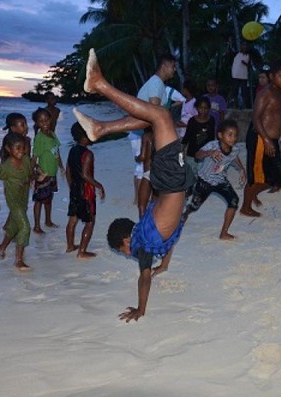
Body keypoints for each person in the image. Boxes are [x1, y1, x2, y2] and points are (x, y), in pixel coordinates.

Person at [72, 49, 195, 323]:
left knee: (160, 116)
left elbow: (144, 278)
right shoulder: (150, 240)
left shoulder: (144, 246)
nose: (131, 255)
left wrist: (142, 307)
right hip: (170, 181)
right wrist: (164, 264)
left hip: (170, 180)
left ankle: (99, 93)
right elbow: (166, 247)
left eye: (123, 250)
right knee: (158, 116)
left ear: (126, 243)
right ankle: (100, 122)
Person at [240, 60, 281, 217]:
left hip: (272, 139)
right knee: (257, 176)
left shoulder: (280, 94)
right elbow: (256, 118)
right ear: (271, 76)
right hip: (260, 138)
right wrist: (266, 139)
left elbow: (273, 115)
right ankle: (246, 207)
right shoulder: (265, 93)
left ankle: (252, 194)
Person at [127, 53, 177, 205]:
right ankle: (142, 202)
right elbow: (153, 111)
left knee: (149, 170)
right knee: (145, 171)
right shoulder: (156, 83)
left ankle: (148, 203)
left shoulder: (156, 83)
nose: (174, 70)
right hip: (142, 133)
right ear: (164, 66)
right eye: (173, 66)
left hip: (143, 131)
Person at [183, 119, 246, 240]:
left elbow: (235, 158)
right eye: (230, 135)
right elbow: (197, 154)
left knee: (234, 200)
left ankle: (224, 232)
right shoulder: (213, 145)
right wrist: (209, 153)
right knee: (194, 206)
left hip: (220, 180)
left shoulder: (235, 149)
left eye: (235, 135)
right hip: (204, 181)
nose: (233, 138)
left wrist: (242, 170)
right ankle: (185, 214)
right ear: (220, 135)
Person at [0, 132, 34, 271]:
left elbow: (29, 173)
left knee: (15, 225)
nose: (21, 151)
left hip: (23, 198)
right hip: (13, 200)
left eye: (23, 148)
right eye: (17, 148)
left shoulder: (26, 160)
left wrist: (33, 179)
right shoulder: (6, 167)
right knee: (25, 227)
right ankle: (19, 260)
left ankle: (2, 246)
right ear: (9, 149)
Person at [65, 122, 106, 259]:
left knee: (73, 219)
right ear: (85, 136)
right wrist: (99, 185)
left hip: (75, 189)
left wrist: (72, 186)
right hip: (86, 192)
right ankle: (81, 251)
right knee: (90, 221)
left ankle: (70, 246)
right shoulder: (88, 154)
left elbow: (68, 171)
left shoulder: (72, 150)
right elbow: (85, 175)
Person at [31, 107, 64, 233]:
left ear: (50, 120)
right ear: (37, 123)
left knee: (49, 199)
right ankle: (37, 226)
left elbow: (56, 152)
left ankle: (48, 221)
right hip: (43, 174)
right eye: (41, 121)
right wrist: (32, 175)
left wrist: (61, 166)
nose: (44, 123)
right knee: (39, 200)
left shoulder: (52, 134)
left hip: (52, 173)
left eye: (46, 120)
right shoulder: (39, 138)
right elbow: (34, 158)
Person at [181, 96, 215, 175]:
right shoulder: (192, 121)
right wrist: (181, 152)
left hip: (206, 155)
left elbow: (212, 138)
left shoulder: (211, 120)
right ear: (196, 108)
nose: (203, 110)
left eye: (205, 108)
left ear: (209, 108)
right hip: (192, 155)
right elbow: (186, 137)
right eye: (201, 108)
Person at [230, 42, 252, 108]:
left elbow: (250, 66)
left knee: (244, 92)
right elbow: (231, 50)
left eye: (246, 45)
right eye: (243, 45)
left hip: (243, 77)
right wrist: (230, 42)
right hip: (235, 76)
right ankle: (235, 105)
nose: (244, 46)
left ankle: (244, 106)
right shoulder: (237, 54)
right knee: (235, 91)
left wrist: (245, 63)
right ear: (241, 46)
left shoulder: (249, 55)